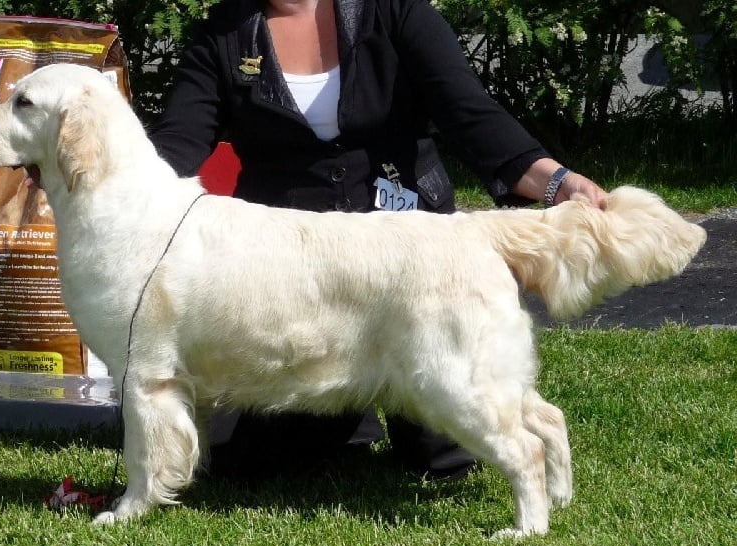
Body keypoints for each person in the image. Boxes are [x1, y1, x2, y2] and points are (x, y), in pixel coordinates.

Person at [149, 0, 608, 478]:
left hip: (410, 266)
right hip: (293, 281)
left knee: (442, 455)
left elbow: (471, 114)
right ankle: (351, 411)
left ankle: (373, 406)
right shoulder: (224, 33)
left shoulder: (394, 11)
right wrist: (110, 187)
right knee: (251, 465)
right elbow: (175, 145)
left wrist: (559, 183)